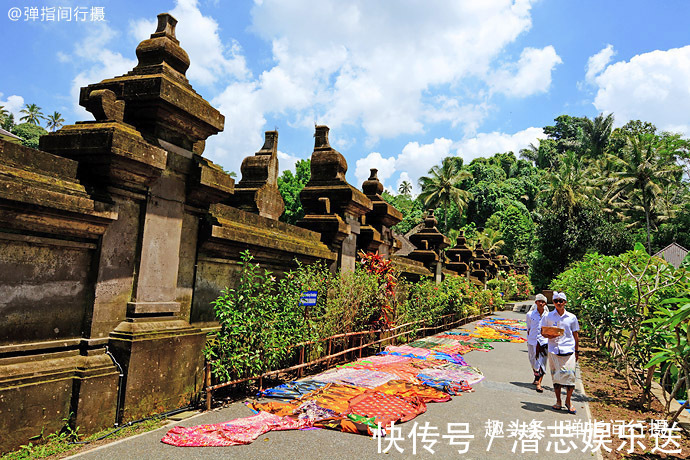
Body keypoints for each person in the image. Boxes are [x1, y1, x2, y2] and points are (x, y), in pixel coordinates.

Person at [542, 291, 580, 414]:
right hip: (554, 350)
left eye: (561, 301)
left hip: (568, 351)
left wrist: (577, 350)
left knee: (570, 378)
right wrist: (549, 335)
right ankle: (558, 401)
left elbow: (575, 334)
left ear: (565, 302)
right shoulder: (548, 317)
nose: (558, 303)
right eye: (556, 301)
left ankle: (568, 401)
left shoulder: (572, 317)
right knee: (556, 378)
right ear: (553, 302)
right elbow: (543, 332)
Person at [526, 294, 549, 392]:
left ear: (545, 304)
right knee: (532, 360)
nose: (541, 303)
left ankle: (539, 383)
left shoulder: (548, 316)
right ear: (535, 302)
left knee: (542, 362)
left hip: (544, 341)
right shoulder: (530, 315)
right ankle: (536, 376)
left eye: (543, 302)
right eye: (539, 301)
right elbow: (528, 328)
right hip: (532, 340)